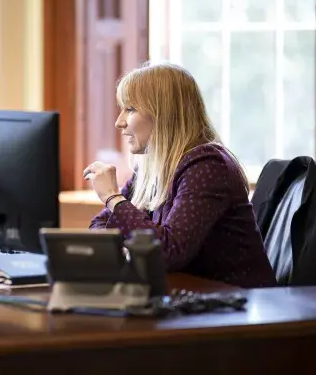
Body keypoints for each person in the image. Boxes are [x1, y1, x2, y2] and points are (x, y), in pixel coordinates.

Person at [85, 62, 277, 288]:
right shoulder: (151, 168)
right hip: (193, 298)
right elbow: (101, 224)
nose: (119, 122)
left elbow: (170, 251)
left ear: (163, 114)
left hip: (238, 305)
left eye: (130, 109)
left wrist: (113, 198)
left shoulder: (207, 165)